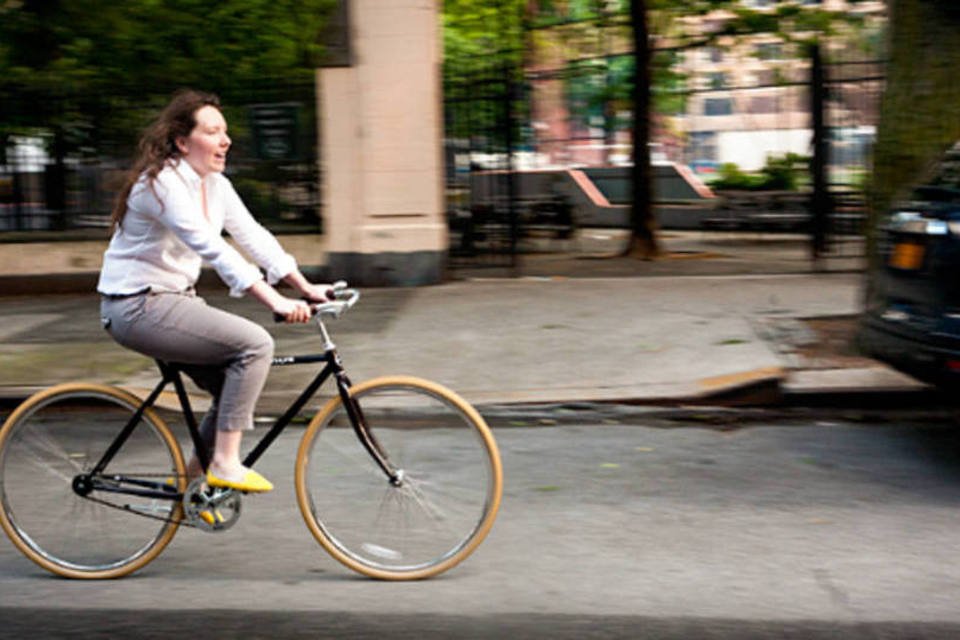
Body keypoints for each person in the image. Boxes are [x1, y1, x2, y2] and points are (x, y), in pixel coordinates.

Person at [98, 89, 330, 494]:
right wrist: (274, 300)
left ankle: (191, 487)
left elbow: (253, 236)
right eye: (212, 131)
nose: (226, 140)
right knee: (256, 345)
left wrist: (305, 287)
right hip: (136, 306)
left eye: (225, 131)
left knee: (233, 385)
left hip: (172, 302)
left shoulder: (215, 184)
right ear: (182, 142)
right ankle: (224, 462)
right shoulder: (161, 184)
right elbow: (213, 246)